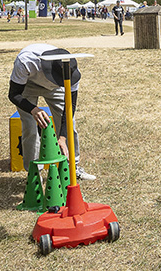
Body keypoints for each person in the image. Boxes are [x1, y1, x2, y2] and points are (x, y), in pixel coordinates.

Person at [7, 43, 95, 181]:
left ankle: (72, 167)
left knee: (69, 124)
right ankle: (34, 173)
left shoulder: (70, 71)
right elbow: (13, 94)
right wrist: (33, 109)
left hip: (56, 87)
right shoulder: (26, 61)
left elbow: (69, 107)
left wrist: (63, 138)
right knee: (29, 127)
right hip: (27, 84)